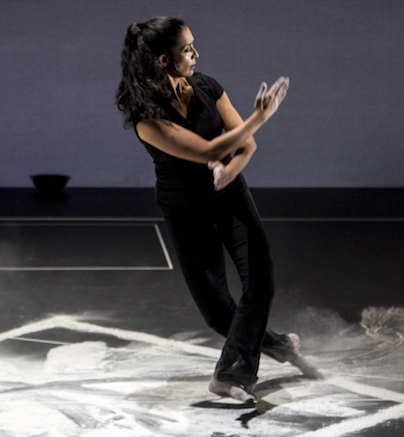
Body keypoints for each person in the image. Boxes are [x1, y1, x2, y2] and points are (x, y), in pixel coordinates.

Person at [116, 16, 323, 404]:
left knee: (260, 281)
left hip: (230, 197)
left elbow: (245, 146)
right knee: (217, 313)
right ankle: (280, 345)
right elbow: (209, 149)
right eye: (187, 49)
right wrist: (259, 118)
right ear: (163, 60)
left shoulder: (208, 86)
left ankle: (231, 375)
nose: (196, 53)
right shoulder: (148, 119)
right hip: (185, 212)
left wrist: (230, 174)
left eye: (194, 45)